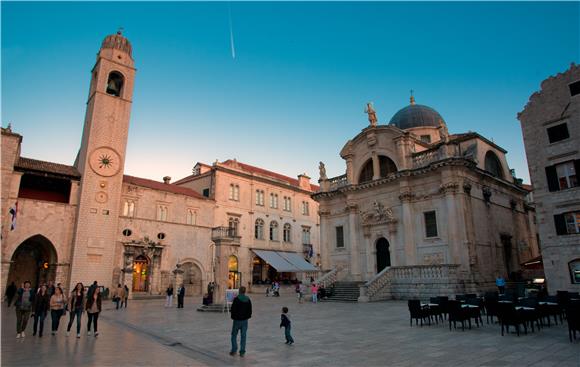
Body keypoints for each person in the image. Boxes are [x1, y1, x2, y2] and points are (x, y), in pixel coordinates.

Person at [229, 286, 252, 357]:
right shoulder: (248, 299)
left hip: (237, 321)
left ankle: (234, 350)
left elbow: (233, 310)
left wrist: (233, 317)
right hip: (245, 321)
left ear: (239, 291)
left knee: (234, 335)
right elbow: (250, 311)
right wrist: (247, 317)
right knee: (243, 336)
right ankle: (242, 352)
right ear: (244, 291)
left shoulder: (236, 299)